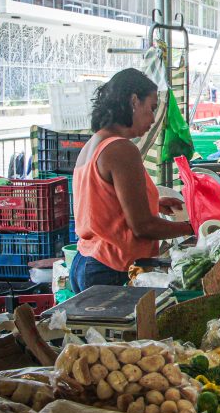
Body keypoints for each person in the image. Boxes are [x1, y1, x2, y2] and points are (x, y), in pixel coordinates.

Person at [70, 69, 193, 291]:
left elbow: (102, 207)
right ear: (134, 101)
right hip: (111, 267)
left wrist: (154, 203)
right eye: (152, 108)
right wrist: (193, 227)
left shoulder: (94, 144)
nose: (153, 118)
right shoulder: (121, 149)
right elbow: (143, 226)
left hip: (87, 260)